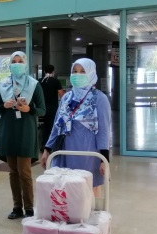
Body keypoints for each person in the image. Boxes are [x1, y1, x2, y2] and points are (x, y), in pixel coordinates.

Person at [40, 58, 112, 194]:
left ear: (91, 74)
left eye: (82, 71)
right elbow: (57, 125)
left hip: (87, 153)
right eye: (75, 71)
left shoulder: (99, 98)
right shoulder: (67, 98)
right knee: (65, 192)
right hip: (65, 152)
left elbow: (104, 130)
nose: (77, 75)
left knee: (86, 191)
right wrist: (47, 149)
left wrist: (105, 159)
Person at [0, 51, 46, 219]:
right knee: (13, 172)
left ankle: (29, 208)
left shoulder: (34, 84)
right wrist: (4, 106)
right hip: (8, 131)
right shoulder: (3, 84)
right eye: (14, 61)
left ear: (25, 63)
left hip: (26, 132)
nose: (17, 64)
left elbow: (42, 110)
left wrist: (29, 109)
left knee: (24, 172)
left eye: (20, 61)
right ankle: (17, 207)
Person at [38, 64, 64, 150]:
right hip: (53, 107)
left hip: (42, 108)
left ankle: (43, 144)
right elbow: (61, 95)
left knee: (45, 126)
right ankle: (50, 146)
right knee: (52, 127)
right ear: (53, 72)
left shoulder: (40, 81)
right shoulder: (55, 81)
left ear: (44, 71)